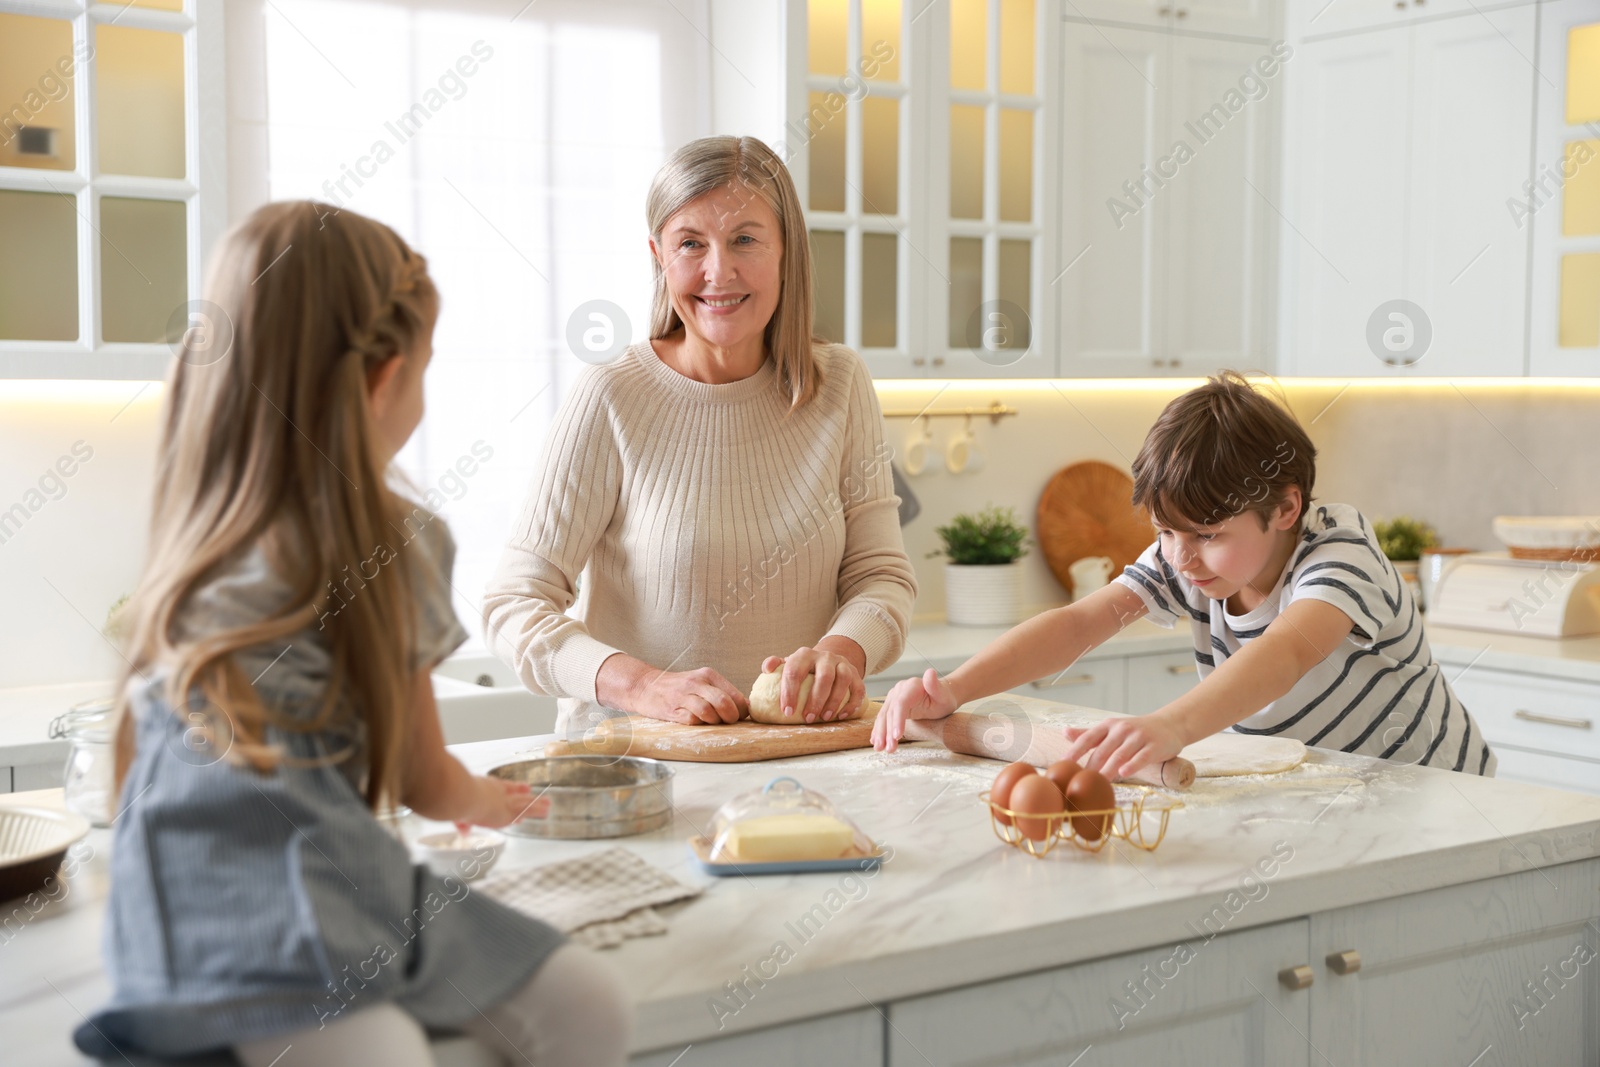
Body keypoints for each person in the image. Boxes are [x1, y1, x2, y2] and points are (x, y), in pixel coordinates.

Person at [76, 202, 632, 1067]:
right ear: (384, 378)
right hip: (292, 896)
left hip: (175, 914)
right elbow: (424, 777)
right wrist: (497, 801)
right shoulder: (399, 542)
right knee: (571, 1006)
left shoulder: (199, 528)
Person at [485, 136, 917, 734]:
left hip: (799, 759)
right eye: (691, 243)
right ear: (659, 256)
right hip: (635, 767)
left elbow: (881, 577)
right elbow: (513, 604)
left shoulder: (840, 384)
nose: (719, 271)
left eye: (745, 238)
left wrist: (842, 654)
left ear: (786, 249)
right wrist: (642, 686)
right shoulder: (611, 394)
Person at [873, 371, 1496, 779]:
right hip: (1336, 788)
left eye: (1207, 534)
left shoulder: (1340, 554)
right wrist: (954, 690)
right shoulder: (1191, 563)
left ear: (1285, 507)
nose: (1180, 556)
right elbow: (1078, 624)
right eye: (1165, 532)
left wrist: (1171, 723)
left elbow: (1285, 653)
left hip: (1443, 796)